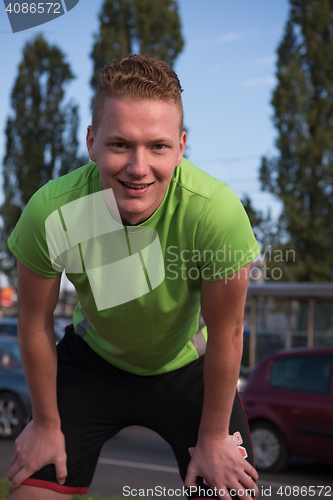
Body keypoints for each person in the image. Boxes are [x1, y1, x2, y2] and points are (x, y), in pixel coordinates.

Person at [7, 55, 260, 500]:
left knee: (232, 494)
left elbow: (228, 334)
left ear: (181, 146)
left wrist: (215, 438)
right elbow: (33, 324)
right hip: (94, 364)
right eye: (120, 144)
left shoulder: (215, 213)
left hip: (189, 368)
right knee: (31, 492)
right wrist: (46, 424)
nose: (138, 167)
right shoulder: (52, 212)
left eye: (158, 146)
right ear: (91, 141)